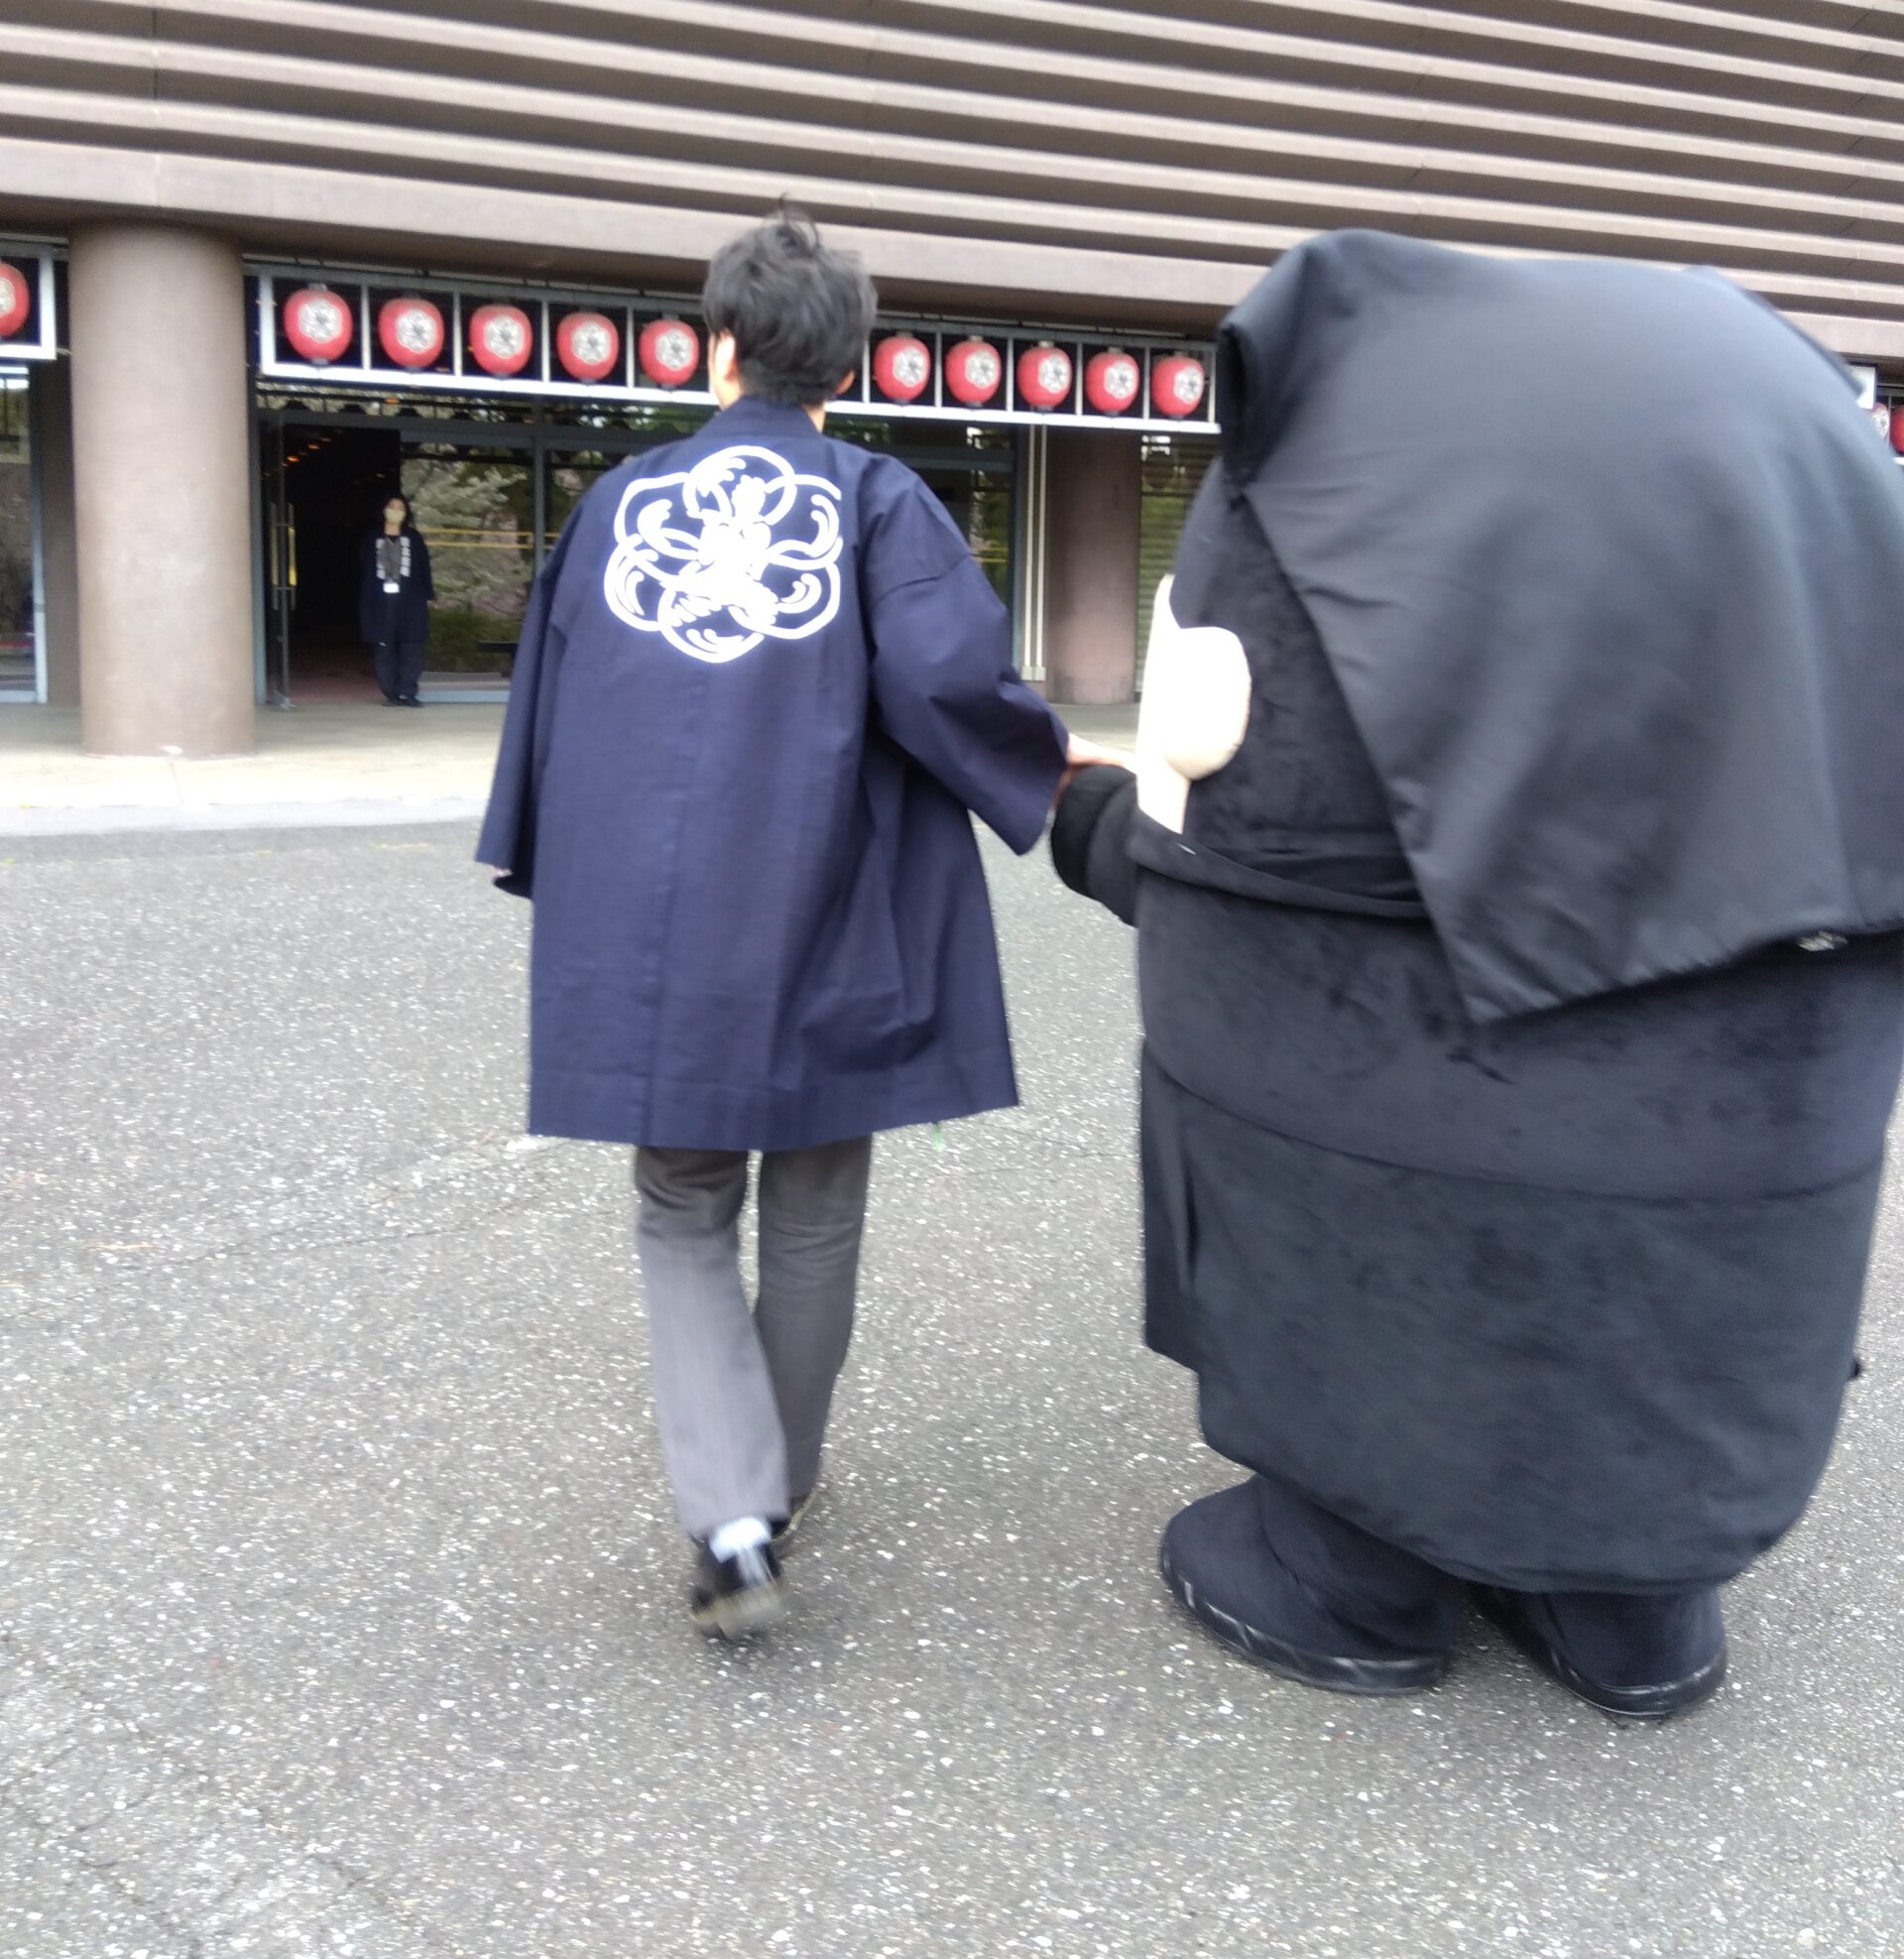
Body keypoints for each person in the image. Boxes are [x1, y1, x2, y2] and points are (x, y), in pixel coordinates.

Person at [1053, 229, 1904, 1719]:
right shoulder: (1804, 745)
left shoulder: (1341, 513)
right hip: (1766, 1138)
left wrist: (1072, 809)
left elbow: (1232, 875)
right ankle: (1635, 1608)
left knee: (1353, 1234)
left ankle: (1356, 1575)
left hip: (1368, 1138)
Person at [477, 207, 1089, 1639]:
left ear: (719, 347)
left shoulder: (621, 504)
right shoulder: (880, 501)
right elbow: (950, 687)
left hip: (659, 926)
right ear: (849, 364)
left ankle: (732, 1513)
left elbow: (553, 709)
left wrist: (552, 862)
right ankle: (779, 1488)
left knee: (682, 1203)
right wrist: (1055, 768)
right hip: (832, 904)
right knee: (815, 1204)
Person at [360, 492, 433, 704]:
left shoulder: (414, 537)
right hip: (381, 602)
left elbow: (423, 568)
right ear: (383, 510)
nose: (396, 511)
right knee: (384, 647)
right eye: (392, 507)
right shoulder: (373, 538)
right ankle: (391, 693)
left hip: (410, 601)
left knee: (411, 647)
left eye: (400, 508)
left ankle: (407, 692)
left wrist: (426, 594)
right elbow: (365, 570)